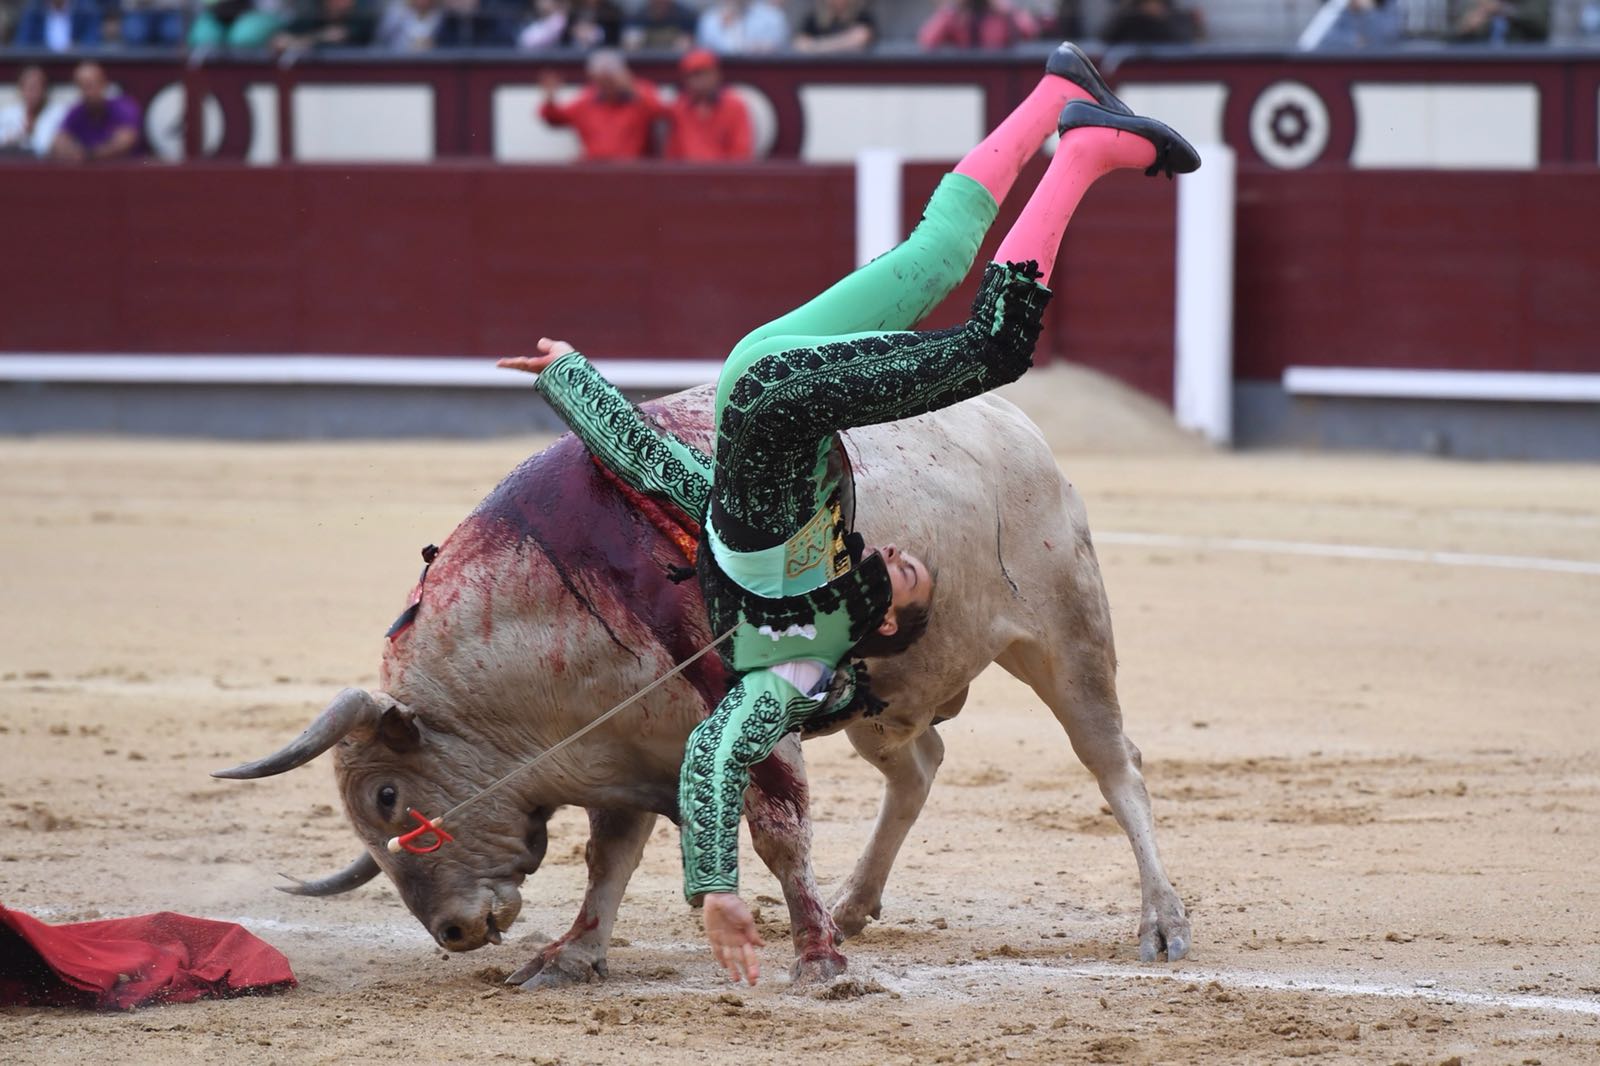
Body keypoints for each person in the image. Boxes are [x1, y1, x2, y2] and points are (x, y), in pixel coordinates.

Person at [498, 43, 1199, 985]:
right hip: (767, 375)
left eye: (908, 576)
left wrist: (714, 886)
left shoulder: (787, 662)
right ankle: (1058, 106)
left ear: (880, 624)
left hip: (775, 394)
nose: (905, 556)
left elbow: (711, 750)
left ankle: (1079, 150)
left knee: (992, 346)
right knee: (938, 259)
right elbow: (663, 471)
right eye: (916, 570)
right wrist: (577, 384)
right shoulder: (796, 606)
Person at [537, 48, 666, 161]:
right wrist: (550, 97)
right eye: (601, 80)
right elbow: (554, 118)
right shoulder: (587, 100)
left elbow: (660, 113)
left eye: (610, 79)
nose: (607, 85)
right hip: (594, 171)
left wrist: (631, 87)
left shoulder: (639, 95)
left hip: (632, 174)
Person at [665, 49, 752, 162]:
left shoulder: (735, 106)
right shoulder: (678, 108)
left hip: (725, 176)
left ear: (716, 74)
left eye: (702, 74)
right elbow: (672, 154)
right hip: (687, 176)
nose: (697, 81)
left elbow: (741, 153)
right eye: (691, 76)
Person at [52, 61, 144, 163]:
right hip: (87, 175)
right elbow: (58, 143)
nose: (87, 92)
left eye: (90, 85)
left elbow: (126, 141)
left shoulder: (124, 107)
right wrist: (72, 151)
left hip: (125, 174)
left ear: (104, 83)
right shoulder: (75, 113)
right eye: (82, 86)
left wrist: (89, 155)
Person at [0, 65, 69, 159]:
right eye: (28, 87)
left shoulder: (59, 114)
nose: (33, 92)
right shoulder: (7, 114)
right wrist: (17, 137)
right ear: (21, 89)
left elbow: (48, 148)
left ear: (45, 89)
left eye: (37, 87)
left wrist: (32, 132)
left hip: (45, 168)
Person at [917, 0, 1038, 50]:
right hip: (966, 77)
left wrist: (1006, 9)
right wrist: (951, 9)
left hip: (998, 77)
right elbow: (927, 40)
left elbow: (1030, 31)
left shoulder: (1002, 15)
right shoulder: (955, 16)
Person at [695, 0, 787, 54]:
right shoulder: (710, 19)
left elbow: (776, 50)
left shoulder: (773, 16)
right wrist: (729, 29)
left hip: (762, 74)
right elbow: (706, 53)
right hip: (724, 77)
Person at [13, 0, 103, 50]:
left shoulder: (86, 9)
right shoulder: (33, 11)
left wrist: (77, 48)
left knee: (87, 72)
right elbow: (22, 44)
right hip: (40, 63)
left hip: (77, 61)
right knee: (32, 76)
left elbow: (92, 42)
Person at [1101, 0, 1198, 44]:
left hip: (1168, 72)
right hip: (1133, 72)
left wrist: (1162, 18)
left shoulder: (1176, 14)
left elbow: (1185, 40)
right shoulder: (1128, 16)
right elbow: (1106, 37)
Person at [794, 0, 875, 52]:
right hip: (822, 69)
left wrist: (818, 46)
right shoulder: (814, 18)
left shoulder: (861, 16)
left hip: (853, 69)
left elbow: (862, 37)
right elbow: (800, 43)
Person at [1452, 0, 1549, 42]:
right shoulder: (1472, 3)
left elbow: (1539, 23)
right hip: (1478, 64)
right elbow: (1448, 34)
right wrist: (1465, 27)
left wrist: (1501, 9)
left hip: (1523, 63)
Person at [622, 0, 696, 51]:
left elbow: (690, 45)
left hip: (675, 66)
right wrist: (632, 44)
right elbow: (629, 45)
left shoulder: (685, 16)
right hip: (646, 65)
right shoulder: (637, 17)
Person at [376, 0, 441, 49]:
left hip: (429, 61)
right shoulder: (397, 12)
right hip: (397, 59)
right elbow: (381, 37)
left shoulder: (439, 16)